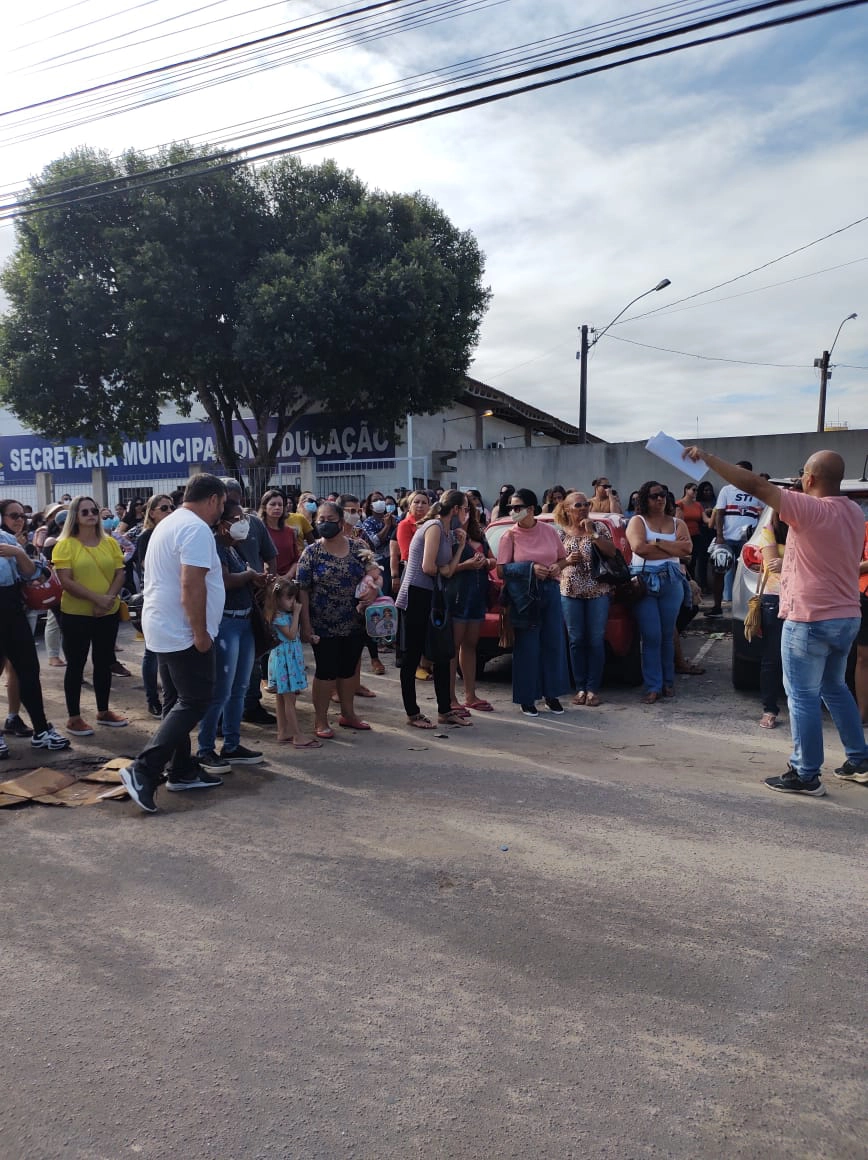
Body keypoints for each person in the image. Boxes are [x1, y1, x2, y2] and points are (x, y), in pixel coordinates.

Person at [684, 446, 868, 796]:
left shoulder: (809, 508)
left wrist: (708, 459)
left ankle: (805, 773)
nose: (799, 481)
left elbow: (755, 485)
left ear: (810, 478)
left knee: (801, 696)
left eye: (803, 476)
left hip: (810, 617)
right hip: (846, 616)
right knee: (834, 687)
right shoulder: (854, 512)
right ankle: (859, 760)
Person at [119, 474, 228, 813]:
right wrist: (200, 632)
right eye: (222, 504)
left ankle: (180, 769)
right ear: (212, 499)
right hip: (182, 630)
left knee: (176, 700)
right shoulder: (194, 528)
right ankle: (144, 769)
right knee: (196, 699)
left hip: (162, 627)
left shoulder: (170, 523)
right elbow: (191, 584)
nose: (221, 512)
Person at [297, 500, 380, 739]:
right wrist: (306, 624)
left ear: (341, 522)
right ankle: (321, 720)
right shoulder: (311, 552)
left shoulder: (358, 548)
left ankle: (348, 714)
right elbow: (302, 589)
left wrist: (373, 590)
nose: (323, 524)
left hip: (354, 621)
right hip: (323, 624)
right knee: (325, 672)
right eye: (320, 520)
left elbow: (376, 575)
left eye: (329, 520)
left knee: (347, 671)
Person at [196, 499, 266, 773]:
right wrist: (250, 575)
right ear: (223, 524)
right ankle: (205, 749)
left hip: (245, 621)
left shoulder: (232, 548)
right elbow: (224, 581)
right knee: (221, 691)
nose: (243, 523)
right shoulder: (215, 545)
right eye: (237, 519)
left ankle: (232, 744)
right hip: (226, 623)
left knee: (239, 689)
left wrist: (255, 578)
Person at [52, 495, 128, 735]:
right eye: (84, 512)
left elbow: (120, 573)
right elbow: (65, 581)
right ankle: (74, 718)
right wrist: (97, 599)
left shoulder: (110, 542)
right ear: (75, 516)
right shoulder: (65, 544)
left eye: (93, 510)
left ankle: (103, 711)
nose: (91, 515)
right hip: (77, 614)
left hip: (108, 612)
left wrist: (107, 601)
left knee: (104, 662)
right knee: (76, 664)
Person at [396, 490, 471, 728]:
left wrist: (460, 546)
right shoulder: (435, 527)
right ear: (456, 509)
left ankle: (445, 710)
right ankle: (412, 713)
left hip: (434, 597)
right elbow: (428, 567)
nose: (467, 513)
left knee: (441, 653)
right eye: (466, 508)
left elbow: (448, 571)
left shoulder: (447, 532)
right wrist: (449, 563)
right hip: (416, 595)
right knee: (412, 656)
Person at [0, 499, 70, 756]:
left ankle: (41, 730)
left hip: (11, 609)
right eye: (13, 515)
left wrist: (18, 552)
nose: (20, 519)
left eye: (22, 515)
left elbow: (33, 575)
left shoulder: (6, 537)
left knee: (29, 668)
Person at [496, 487, 570, 717]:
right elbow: (500, 570)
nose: (513, 511)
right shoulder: (509, 535)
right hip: (525, 596)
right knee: (528, 646)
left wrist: (558, 566)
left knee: (554, 644)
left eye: (517, 507)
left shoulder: (549, 531)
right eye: (510, 508)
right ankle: (527, 698)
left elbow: (562, 558)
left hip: (550, 590)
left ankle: (552, 695)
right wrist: (529, 569)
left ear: (531, 509)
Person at [626, 481, 693, 704]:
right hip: (645, 581)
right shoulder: (638, 521)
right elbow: (639, 548)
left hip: (671, 582)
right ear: (645, 499)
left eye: (663, 495)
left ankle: (667, 682)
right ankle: (653, 685)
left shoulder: (677, 523)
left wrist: (656, 543)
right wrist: (669, 547)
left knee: (667, 635)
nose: (660, 499)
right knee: (651, 636)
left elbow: (688, 549)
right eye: (654, 496)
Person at [219, 478, 277, 726]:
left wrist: (269, 585)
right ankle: (223, 717)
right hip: (225, 608)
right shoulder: (215, 535)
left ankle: (250, 704)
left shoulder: (253, 523)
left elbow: (270, 554)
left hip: (253, 601)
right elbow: (225, 579)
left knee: (250, 659)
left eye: (233, 499)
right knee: (226, 666)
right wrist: (250, 576)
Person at [554, 491, 618, 707]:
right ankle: (580, 686)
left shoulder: (599, 527)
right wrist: (568, 560)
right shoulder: (560, 533)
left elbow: (611, 553)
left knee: (596, 639)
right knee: (576, 639)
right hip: (570, 591)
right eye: (578, 505)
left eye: (586, 504)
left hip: (597, 590)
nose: (583, 508)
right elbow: (553, 563)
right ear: (567, 509)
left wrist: (592, 534)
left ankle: (592, 688)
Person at [446, 500, 497, 714]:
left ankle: (470, 694)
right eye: (461, 508)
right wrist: (467, 565)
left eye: (468, 509)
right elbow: (442, 569)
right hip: (458, 595)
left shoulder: (479, 535)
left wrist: (485, 562)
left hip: (477, 596)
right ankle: (449, 698)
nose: (464, 513)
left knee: (470, 645)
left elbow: (494, 561)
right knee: (452, 647)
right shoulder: (448, 536)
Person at [264, 577, 319, 749]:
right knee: (289, 700)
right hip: (284, 661)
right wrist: (297, 614)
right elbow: (291, 634)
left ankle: (283, 731)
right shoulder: (278, 617)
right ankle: (297, 735)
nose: (293, 602)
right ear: (277, 599)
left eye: (294, 598)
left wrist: (310, 637)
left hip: (286, 659)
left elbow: (296, 635)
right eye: (289, 598)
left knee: (282, 698)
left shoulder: (283, 615)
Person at [134, 493, 176, 716]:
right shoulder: (147, 536)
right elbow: (145, 565)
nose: (170, 511)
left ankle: (171, 697)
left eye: (172, 507)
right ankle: (152, 698)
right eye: (164, 508)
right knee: (152, 652)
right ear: (152, 512)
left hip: (173, 598)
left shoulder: (173, 532)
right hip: (153, 598)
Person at [706, 463, 763, 616]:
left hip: (750, 540)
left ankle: (750, 609)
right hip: (727, 538)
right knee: (719, 568)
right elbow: (720, 513)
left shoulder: (757, 491)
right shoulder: (727, 490)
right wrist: (719, 536)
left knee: (750, 574)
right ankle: (717, 607)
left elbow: (763, 513)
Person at [757, 513, 788, 730]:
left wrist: (785, 560)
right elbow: (772, 564)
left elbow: (821, 561)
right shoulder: (770, 530)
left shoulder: (811, 527)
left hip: (807, 597)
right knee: (772, 658)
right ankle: (769, 709)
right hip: (775, 599)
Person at [258, 490, 301, 577]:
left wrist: (287, 577)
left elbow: (297, 560)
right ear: (264, 507)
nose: (277, 507)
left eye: (280, 505)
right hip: (267, 580)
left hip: (288, 582)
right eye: (273, 504)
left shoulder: (290, 531)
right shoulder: (258, 531)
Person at [676, 483, 705, 582]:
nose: (696, 492)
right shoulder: (679, 504)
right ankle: (685, 583)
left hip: (695, 536)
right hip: (684, 537)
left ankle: (691, 583)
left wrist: (715, 513)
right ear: (686, 490)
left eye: (697, 490)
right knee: (684, 561)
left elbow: (705, 520)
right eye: (693, 490)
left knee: (693, 562)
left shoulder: (698, 505)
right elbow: (678, 521)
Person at [695, 480, 717, 592]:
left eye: (710, 490)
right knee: (702, 559)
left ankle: (715, 585)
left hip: (713, 531)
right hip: (702, 531)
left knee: (714, 559)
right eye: (705, 490)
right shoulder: (698, 504)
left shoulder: (716, 502)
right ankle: (703, 584)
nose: (708, 492)